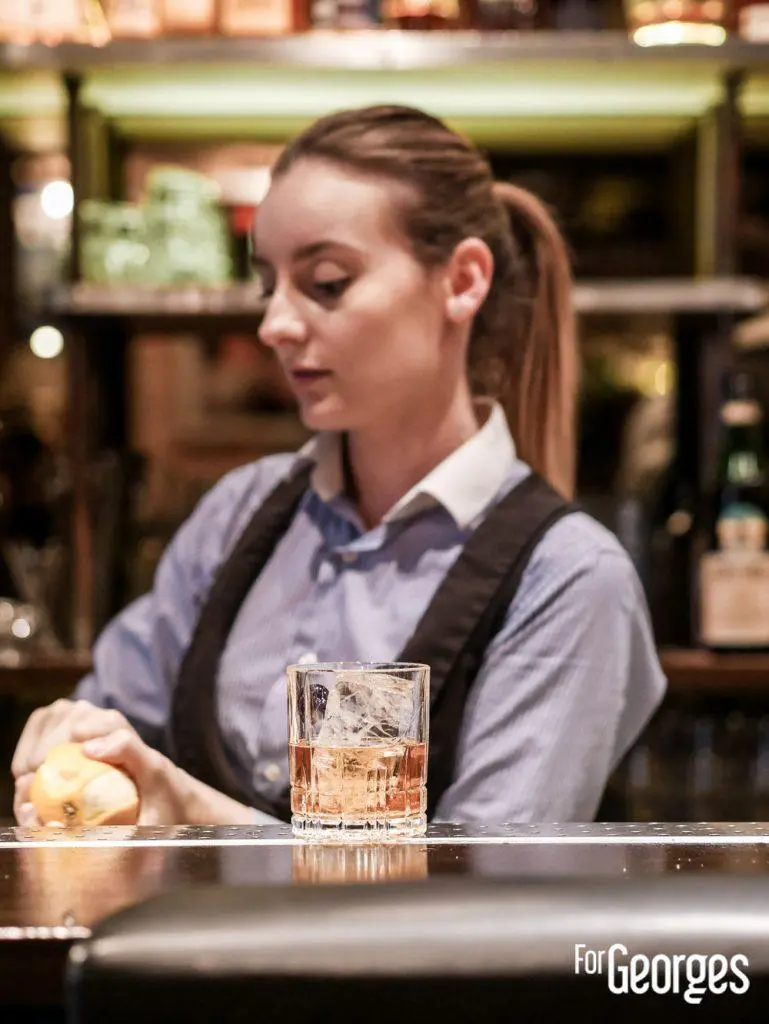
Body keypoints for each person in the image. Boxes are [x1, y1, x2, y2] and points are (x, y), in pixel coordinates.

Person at [11, 104, 666, 827]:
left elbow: (483, 883)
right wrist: (76, 745)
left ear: (462, 281)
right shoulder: (242, 512)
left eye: (326, 283)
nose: (274, 326)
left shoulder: (568, 578)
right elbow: (116, 717)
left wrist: (190, 806)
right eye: (269, 286)